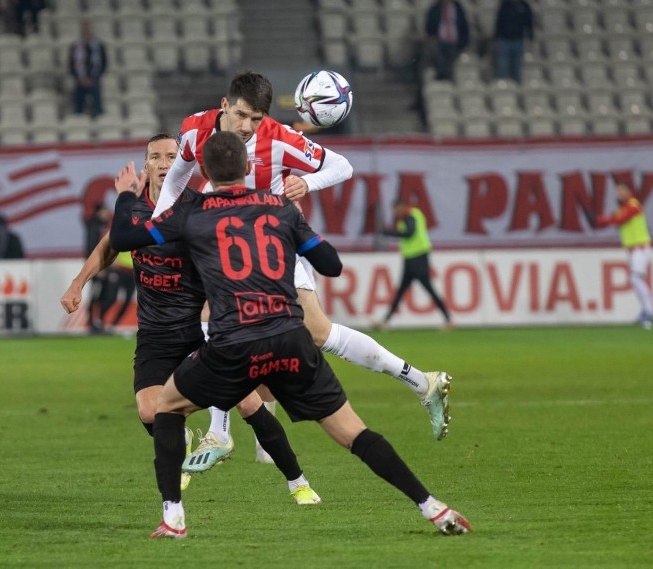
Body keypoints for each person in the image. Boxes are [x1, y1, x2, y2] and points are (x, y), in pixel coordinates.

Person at [109, 131, 471, 539]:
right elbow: (330, 264)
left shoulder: (192, 215)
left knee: (167, 409)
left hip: (234, 344)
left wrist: (126, 196)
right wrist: (298, 234)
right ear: (249, 169)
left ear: (204, 171)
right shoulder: (279, 207)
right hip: (289, 340)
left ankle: (174, 517)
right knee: (355, 433)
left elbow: (123, 239)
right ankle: (433, 507)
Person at [151, 71, 453, 450]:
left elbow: (342, 166)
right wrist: (156, 228)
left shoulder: (279, 139)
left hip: (274, 243)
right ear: (224, 105)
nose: (247, 127)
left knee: (318, 333)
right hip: (229, 245)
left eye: (256, 119)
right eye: (242, 116)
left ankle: (422, 382)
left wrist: (308, 183)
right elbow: (177, 179)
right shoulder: (194, 130)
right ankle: (220, 432)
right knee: (213, 319)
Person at [60, 134, 321, 503]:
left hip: (197, 330)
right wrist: (77, 284)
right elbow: (109, 245)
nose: (164, 163)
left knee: (249, 404)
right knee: (149, 411)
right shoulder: (133, 210)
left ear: (185, 162)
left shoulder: (198, 207)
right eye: (155, 157)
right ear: (146, 164)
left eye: (171, 155)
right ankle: (181, 439)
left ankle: (299, 482)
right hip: (154, 336)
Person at [378, 198, 453, 330]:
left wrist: (388, 232)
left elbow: (409, 233)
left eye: (395, 209)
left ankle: (449, 320)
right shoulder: (415, 214)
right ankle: (385, 321)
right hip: (413, 259)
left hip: (417, 259)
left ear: (400, 207)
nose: (394, 213)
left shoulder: (409, 216)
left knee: (425, 289)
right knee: (403, 291)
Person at [596, 183, 653, 329]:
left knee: (636, 278)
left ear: (628, 191)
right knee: (636, 279)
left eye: (621, 191)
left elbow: (619, 219)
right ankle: (648, 310)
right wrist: (602, 219)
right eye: (617, 191)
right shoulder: (623, 208)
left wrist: (603, 219)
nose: (619, 194)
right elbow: (615, 218)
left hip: (640, 248)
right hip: (633, 249)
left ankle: (650, 311)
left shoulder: (633, 205)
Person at [69, 19, 107, 117]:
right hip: (80, 80)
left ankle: (98, 115)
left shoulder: (98, 45)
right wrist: (80, 79)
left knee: (97, 96)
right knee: (78, 102)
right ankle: (78, 116)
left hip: (94, 79)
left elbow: (103, 63)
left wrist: (93, 78)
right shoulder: (75, 46)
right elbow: (71, 64)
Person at [83, 203, 111, 333]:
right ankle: (91, 323)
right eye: (105, 211)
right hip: (97, 267)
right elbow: (92, 248)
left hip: (102, 266)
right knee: (95, 295)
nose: (107, 214)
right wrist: (97, 267)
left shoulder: (101, 226)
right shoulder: (95, 227)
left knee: (102, 296)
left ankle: (97, 322)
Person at [424, 0, 470, 81]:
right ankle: (446, 76)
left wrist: (464, 44)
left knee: (452, 55)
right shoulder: (435, 9)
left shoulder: (458, 9)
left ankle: (443, 76)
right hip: (440, 43)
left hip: (455, 44)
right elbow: (428, 28)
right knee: (434, 50)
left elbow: (464, 28)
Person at [493, 0, 534, 83]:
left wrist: (530, 37)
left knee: (517, 68)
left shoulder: (524, 6)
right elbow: (499, 22)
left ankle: (517, 89)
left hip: (518, 40)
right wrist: (496, 38)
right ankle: (502, 88)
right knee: (503, 67)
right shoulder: (505, 5)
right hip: (505, 41)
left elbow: (529, 22)